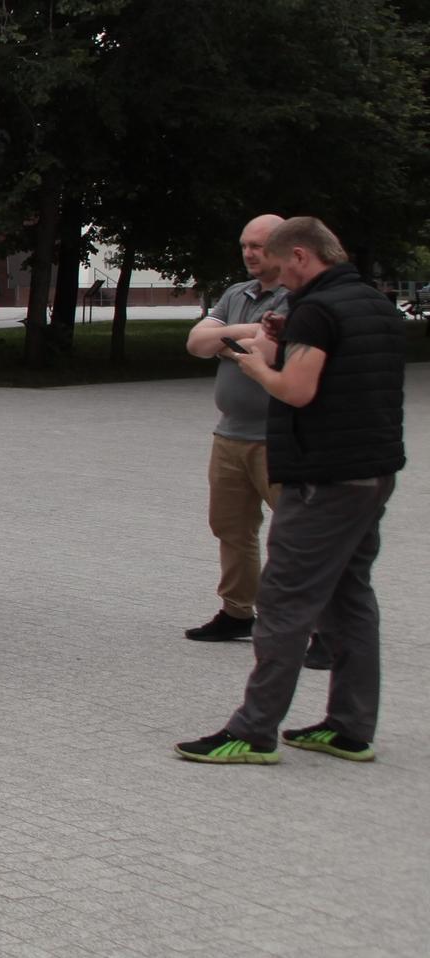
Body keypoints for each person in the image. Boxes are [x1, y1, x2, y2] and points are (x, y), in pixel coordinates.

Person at [179, 216, 406, 765]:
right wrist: (286, 340)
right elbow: (339, 373)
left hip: (322, 477)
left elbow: (298, 391)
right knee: (351, 596)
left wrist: (257, 366)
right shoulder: (374, 304)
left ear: (302, 256)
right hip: (372, 471)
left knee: (282, 600)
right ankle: (351, 726)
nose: (283, 280)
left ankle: (254, 730)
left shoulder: (318, 309)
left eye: (283, 268)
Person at [180, 214, 289, 642]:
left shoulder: (297, 298)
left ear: (283, 247)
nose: (249, 253)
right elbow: (195, 343)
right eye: (245, 245)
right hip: (230, 435)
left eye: (258, 246)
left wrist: (225, 340)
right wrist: (242, 335)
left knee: (298, 533)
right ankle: (238, 611)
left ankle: (316, 622)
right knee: (231, 528)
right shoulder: (236, 293)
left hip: (277, 438)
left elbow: (268, 351)